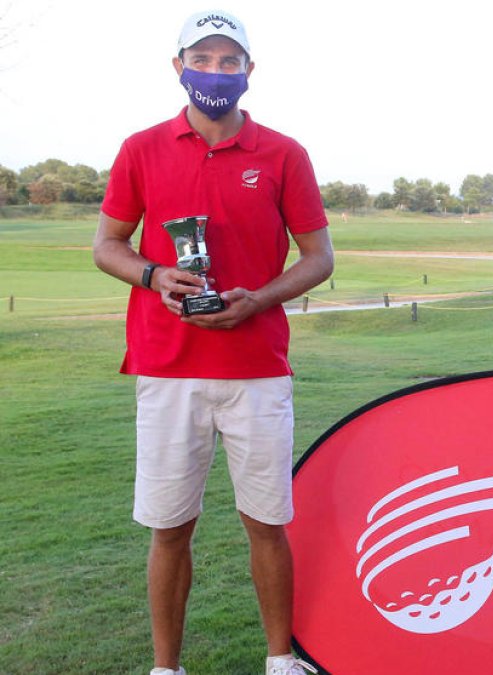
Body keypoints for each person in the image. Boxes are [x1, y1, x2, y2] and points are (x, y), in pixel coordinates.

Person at [92, 10, 333, 675]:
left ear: (249, 72)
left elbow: (319, 257)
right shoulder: (141, 148)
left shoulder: (284, 153)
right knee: (170, 527)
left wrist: (257, 299)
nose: (216, 73)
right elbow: (107, 245)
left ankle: (279, 658)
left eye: (230, 63)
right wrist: (153, 274)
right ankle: (166, 668)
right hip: (167, 366)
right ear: (179, 67)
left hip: (257, 368)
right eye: (203, 60)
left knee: (267, 523)